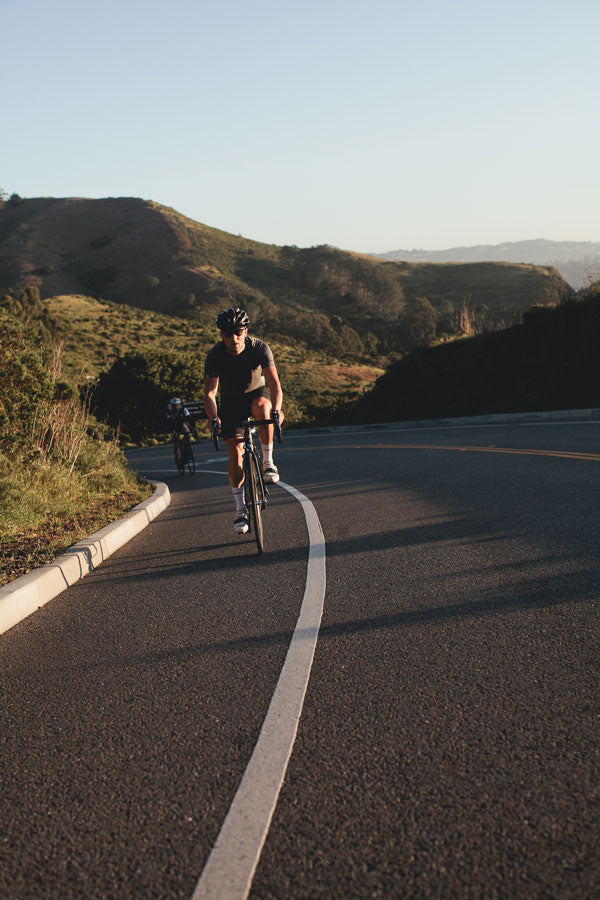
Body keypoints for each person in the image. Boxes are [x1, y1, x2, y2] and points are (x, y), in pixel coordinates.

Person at [203, 307, 284, 535]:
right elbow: (210, 394)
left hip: (256, 395)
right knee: (236, 457)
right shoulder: (215, 355)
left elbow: (274, 384)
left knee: (262, 407)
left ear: (245, 331)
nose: (234, 338)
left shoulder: (259, 348)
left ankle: (268, 462)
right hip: (230, 403)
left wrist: (277, 410)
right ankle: (240, 510)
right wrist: (214, 417)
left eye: (238, 332)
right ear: (222, 335)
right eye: (228, 334)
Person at [166, 397, 192, 468]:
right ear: (172, 406)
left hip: (182, 425)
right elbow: (169, 424)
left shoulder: (184, 410)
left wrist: (194, 428)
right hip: (174, 427)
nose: (176, 407)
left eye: (177, 405)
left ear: (180, 405)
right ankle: (178, 461)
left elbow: (189, 419)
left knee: (187, 434)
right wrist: (173, 432)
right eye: (174, 406)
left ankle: (187, 450)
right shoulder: (169, 412)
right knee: (176, 442)